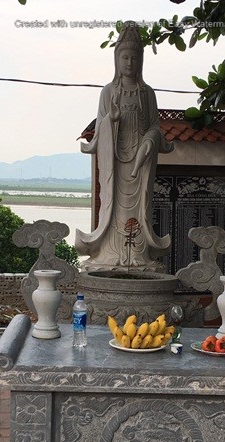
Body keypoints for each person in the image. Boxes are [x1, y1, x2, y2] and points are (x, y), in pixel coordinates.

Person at [75, 21, 173, 271]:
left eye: (134, 58)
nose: (130, 63)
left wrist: (150, 140)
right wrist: (111, 119)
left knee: (140, 206)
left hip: (141, 164)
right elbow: (100, 128)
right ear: (117, 60)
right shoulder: (108, 92)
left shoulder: (147, 93)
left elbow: (154, 126)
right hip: (116, 164)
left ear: (141, 61)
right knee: (112, 205)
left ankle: (137, 253)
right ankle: (111, 252)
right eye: (125, 57)